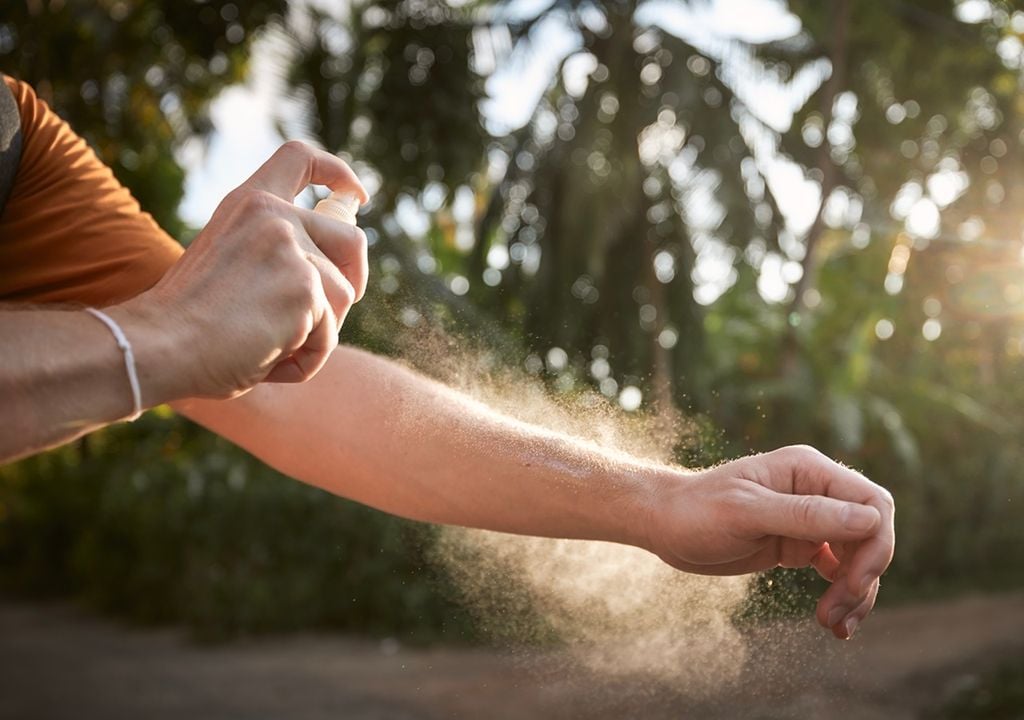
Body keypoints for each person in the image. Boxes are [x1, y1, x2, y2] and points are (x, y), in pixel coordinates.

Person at [0, 75, 893, 641]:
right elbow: (175, 341)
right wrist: (163, 339)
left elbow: (289, 391)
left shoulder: (23, 143)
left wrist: (664, 499)